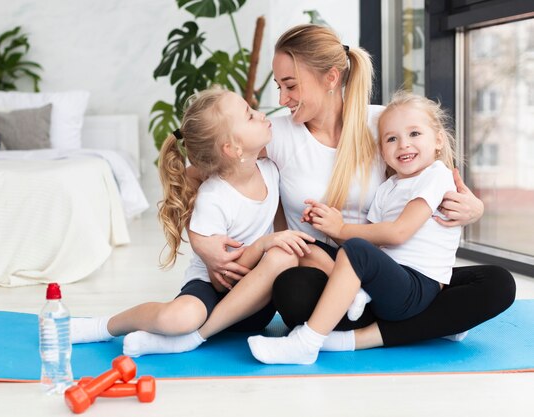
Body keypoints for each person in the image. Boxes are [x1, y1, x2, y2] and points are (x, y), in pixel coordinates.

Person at [189, 24, 515, 353]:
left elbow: (436, 171)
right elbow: (203, 167)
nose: (281, 99)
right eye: (279, 86)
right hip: (325, 272)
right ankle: (434, 322)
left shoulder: (385, 125)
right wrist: (202, 243)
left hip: (392, 273)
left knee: (497, 284)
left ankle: (360, 335)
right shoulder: (277, 133)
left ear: (331, 78)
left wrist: (475, 208)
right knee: (292, 291)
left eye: (290, 86)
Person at [70, 87, 314, 356]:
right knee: (178, 319)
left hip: (256, 305)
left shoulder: (270, 170)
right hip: (213, 291)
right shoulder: (213, 197)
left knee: (285, 257)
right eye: (249, 115)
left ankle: (193, 338)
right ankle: (104, 326)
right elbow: (222, 282)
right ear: (232, 148)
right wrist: (264, 244)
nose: (260, 114)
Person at [248, 91, 463, 364]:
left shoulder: (436, 175)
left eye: (415, 134)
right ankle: (358, 292)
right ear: (381, 150)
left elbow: (398, 233)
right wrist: (326, 222)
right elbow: (371, 244)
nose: (403, 145)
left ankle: (307, 343)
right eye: (392, 139)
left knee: (356, 249)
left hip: (417, 286)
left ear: (439, 140)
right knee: (306, 248)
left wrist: (342, 230)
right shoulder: (388, 188)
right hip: (390, 281)